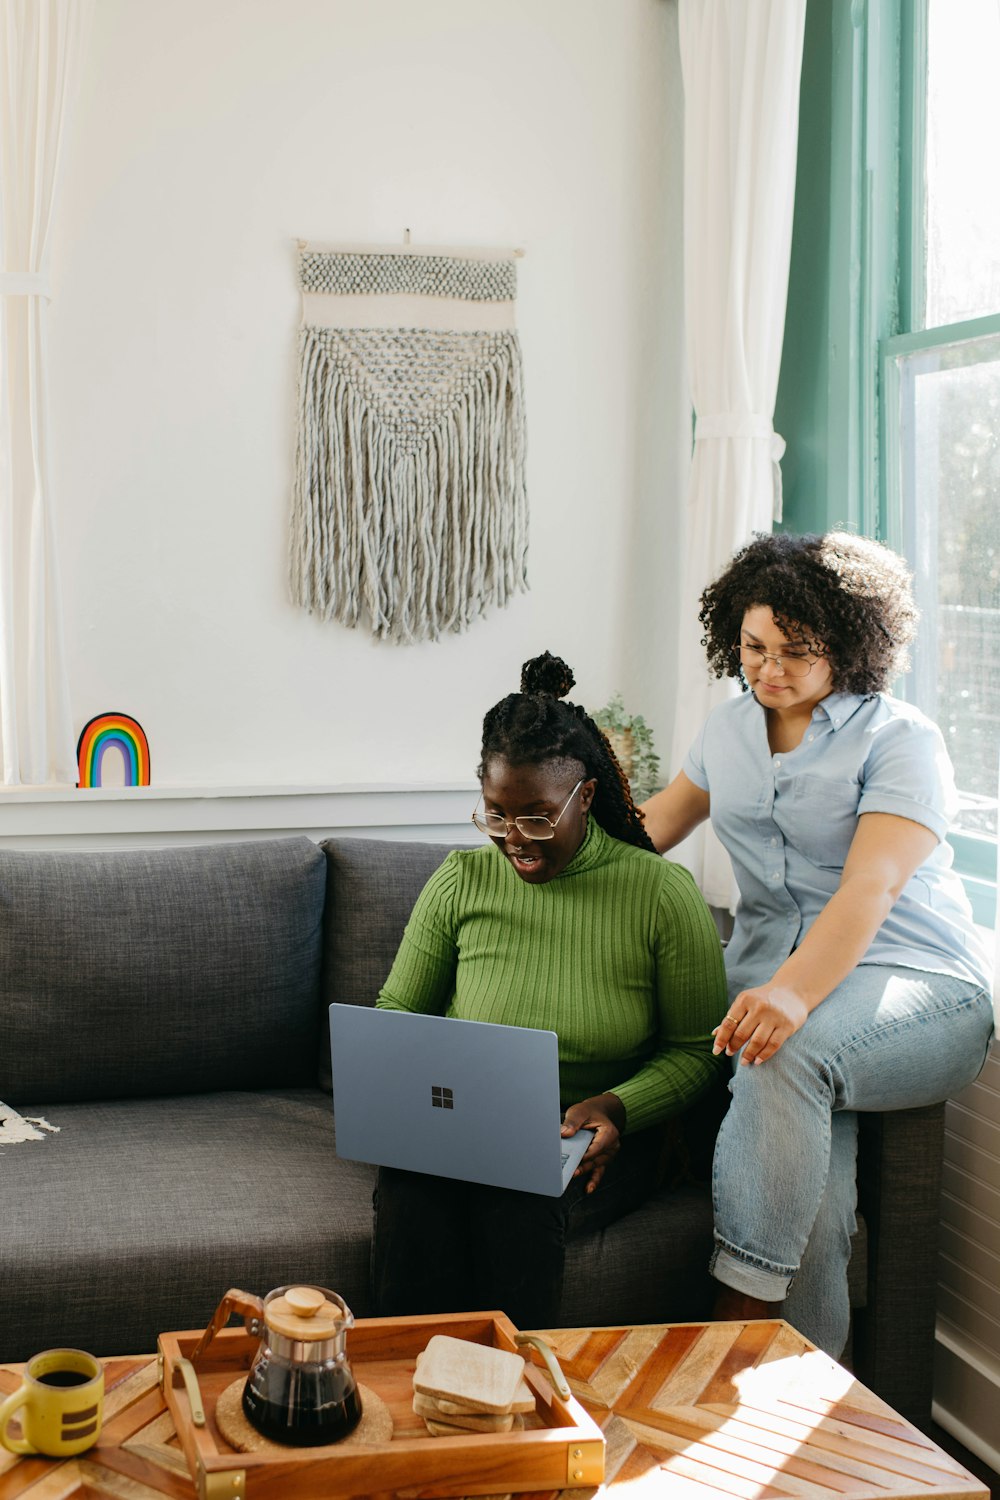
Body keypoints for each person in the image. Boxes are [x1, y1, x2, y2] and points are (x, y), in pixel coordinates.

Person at [641, 530, 994, 1356]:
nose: (769, 670)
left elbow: (871, 887)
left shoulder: (901, 740)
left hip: (920, 985)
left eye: (796, 653)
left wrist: (793, 994)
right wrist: (533, 844)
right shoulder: (726, 732)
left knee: (784, 1050)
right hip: (782, 998)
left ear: (853, 646)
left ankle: (734, 1332)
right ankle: (802, 1429)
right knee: (818, 1202)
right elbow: (650, 828)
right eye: (753, 647)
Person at [371, 650, 728, 1329]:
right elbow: (396, 1016)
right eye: (497, 815)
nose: (515, 840)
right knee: (413, 1199)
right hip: (467, 1120)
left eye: (537, 817)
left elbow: (696, 1052)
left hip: (588, 1133)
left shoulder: (660, 894)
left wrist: (617, 1107)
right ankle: (407, 1406)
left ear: (584, 796)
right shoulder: (461, 880)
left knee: (516, 1203)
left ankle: (512, 1405)